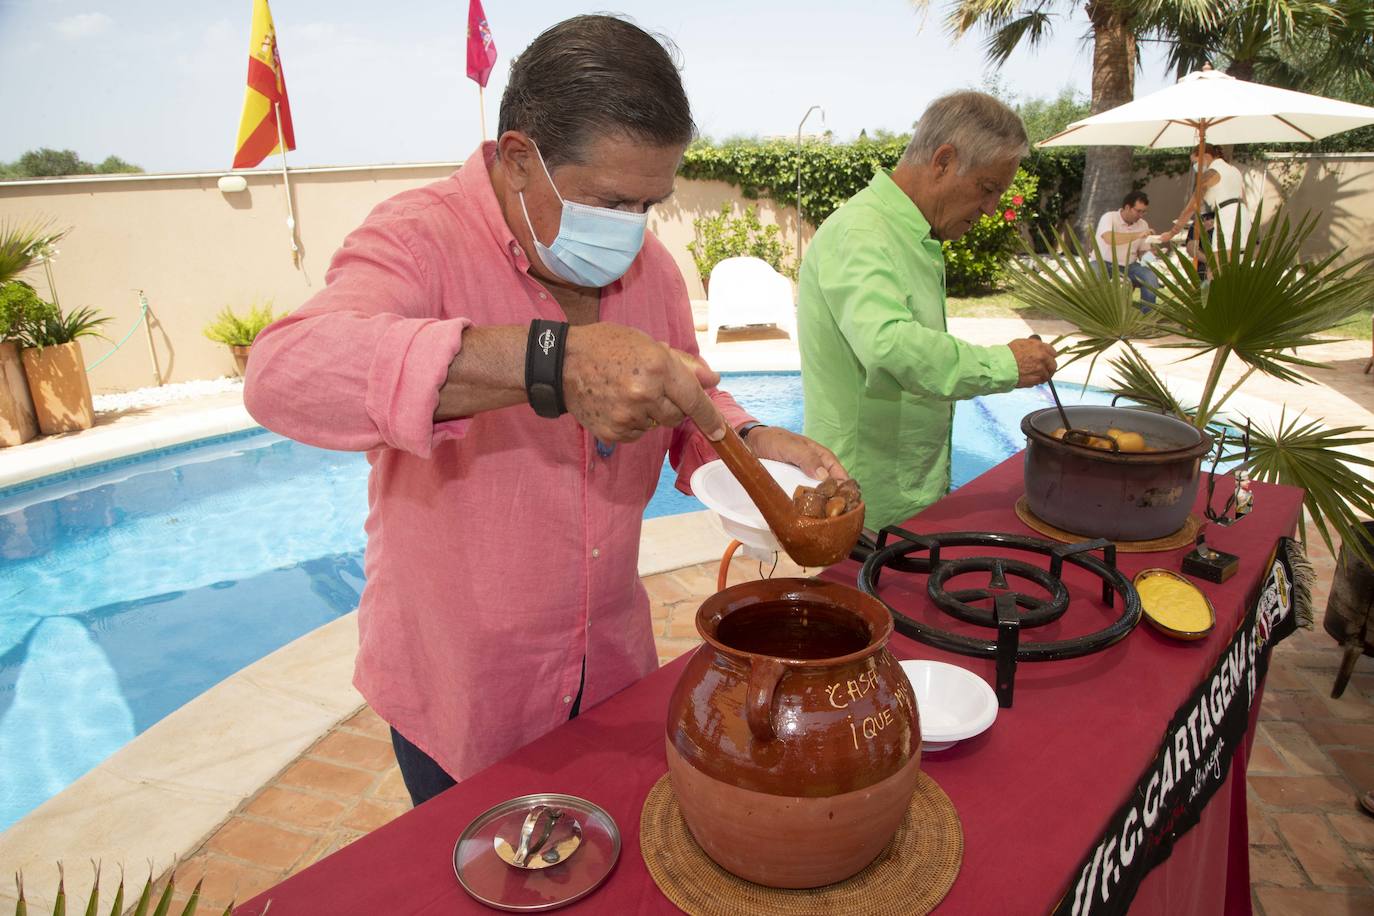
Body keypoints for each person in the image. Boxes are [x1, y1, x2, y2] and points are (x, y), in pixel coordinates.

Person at [243, 15, 845, 807]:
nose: (632, 229)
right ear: (522, 158)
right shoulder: (418, 239)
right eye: (612, 201)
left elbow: (687, 394)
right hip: (464, 694)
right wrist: (546, 362)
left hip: (609, 667)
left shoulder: (650, 271)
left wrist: (755, 445)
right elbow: (282, 373)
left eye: (651, 203)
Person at [797, 91, 1059, 532]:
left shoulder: (912, 233)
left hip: (906, 502)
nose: (992, 209)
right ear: (943, 161)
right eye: (988, 188)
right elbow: (888, 345)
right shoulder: (860, 232)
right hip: (861, 508)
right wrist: (1004, 364)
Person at [1090, 190, 1174, 308]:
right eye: (1138, 211)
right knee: (1094, 275)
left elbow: (1141, 255)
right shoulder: (1109, 217)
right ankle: (1094, 312)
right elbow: (1109, 238)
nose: (1141, 215)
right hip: (1102, 262)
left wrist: (1153, 253)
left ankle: (1147, 316)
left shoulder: (1143, 224)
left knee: (1150, 277)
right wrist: (1138, 235)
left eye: (1144, 212)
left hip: (1129, 266)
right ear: (1127, 207)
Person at [1169, 143, 1252, 252]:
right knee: (1238, 263)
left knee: (1219, 265)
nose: (1195, 166)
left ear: (1205, 156)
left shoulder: (1211, 173)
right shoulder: (1234, 170)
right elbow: (1244, 199)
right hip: (1243, 217)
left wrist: (1173, 232)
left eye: (1195, 162)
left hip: (1227, 218)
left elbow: (1193, 205)